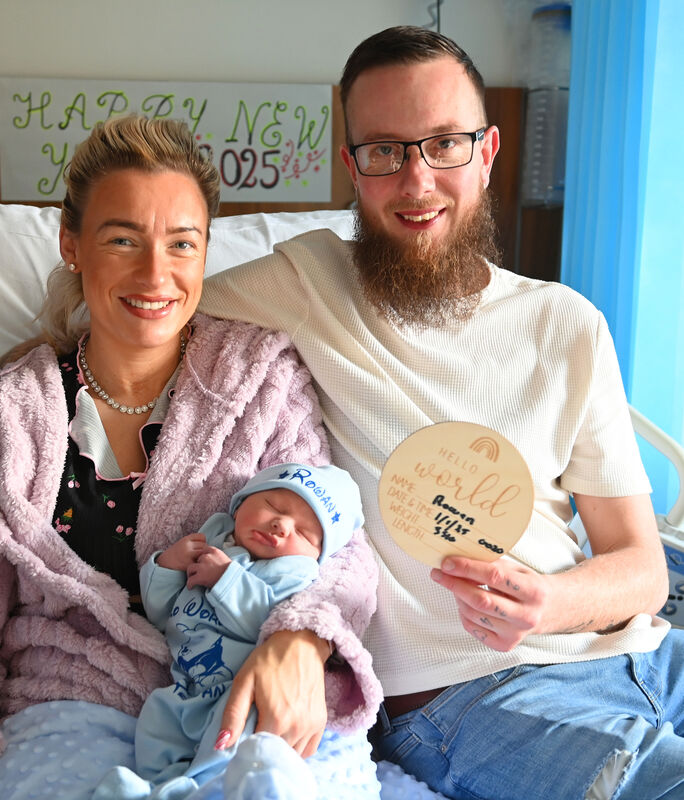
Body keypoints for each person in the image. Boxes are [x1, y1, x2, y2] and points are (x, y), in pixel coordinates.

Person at [197, 25, 684, 800]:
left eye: (444, 144)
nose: (417, 180)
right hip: (479, 696)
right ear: (352, 166)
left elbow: (643, 567)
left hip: (649, 655)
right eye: (386, 151)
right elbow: (146, 302)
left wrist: (553, 602)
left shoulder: (566, 323)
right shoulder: (310, 283)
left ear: (486, 154)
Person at [0, 115, 382, 800]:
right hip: (73, 701)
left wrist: (305, 640)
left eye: (182, 244)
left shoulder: (260, 379)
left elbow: (334, 543)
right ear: (72, 245)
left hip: (244, 682)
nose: (156, 274)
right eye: (123, 239)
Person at [93, 462, 364, 798]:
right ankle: (158, 786)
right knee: (154, 729)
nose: (281, 525)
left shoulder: (293, 572)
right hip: (183, 688)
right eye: (273, 506)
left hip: (240, 688)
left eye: (305, 533)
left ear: (317, 553)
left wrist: (225, 578)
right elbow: (163, 615)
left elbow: (268, 622)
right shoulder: (214, 540)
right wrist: (166, 566)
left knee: (228, 743)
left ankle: (210, 788)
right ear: (240, 504)